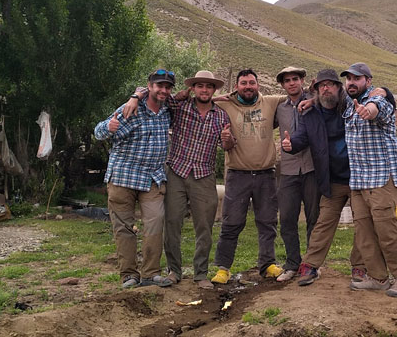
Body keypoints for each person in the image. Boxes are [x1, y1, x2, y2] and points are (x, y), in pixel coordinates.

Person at [281, 69, 393, 287]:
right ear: (315, 90)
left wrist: (383, 90)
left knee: (362, 225)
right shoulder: (310, 113)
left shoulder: (350, 106)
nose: (326, 88)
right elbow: (301, 138)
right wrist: (290, 145)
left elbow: (382, 97)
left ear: (338, 87)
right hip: (332, 179)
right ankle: (310, 265)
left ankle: (359, 267)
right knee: (323, 223)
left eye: (330, 84)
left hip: (358, 179)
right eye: (321, 85)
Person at [129, 70, 231, 290]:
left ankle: (200, 273)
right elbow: (157, 96)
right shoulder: (178, 107)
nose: (205, 90)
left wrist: (228, 140)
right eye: (200, 86)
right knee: (172, 223)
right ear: (193, 88)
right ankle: (174, 271)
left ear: (214, 90)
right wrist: (136, 96)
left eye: (209, 86)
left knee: (204, 226)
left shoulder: (221, 116)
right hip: (176, 171)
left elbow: (227, 147)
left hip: (204, 175)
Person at [94, 69, 176, 290]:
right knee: (123, 228)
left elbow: (193, 96)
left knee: (155, 223)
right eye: (159, 85)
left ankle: (151, 273)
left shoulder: (168, 108)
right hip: (123, 176)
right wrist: (108, 128)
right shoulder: (131, 108)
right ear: (149, 86)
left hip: (152, 177)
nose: (163, 90)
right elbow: (98, 131)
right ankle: (129, 275)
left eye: (168, 87)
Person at [341, 62, 397, 297]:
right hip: (359, 179)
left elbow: (377, 108)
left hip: (381, 177)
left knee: (386, 229)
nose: (351, 82)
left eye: (357, 78)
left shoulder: (378, 100)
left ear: (368, 81)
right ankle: (378, 277)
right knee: (364, 231)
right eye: (348, 79)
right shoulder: (349, 107)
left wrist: (369, 109)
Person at [212, 69, 284, 284]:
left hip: (266, 175)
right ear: (237, 86)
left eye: (252, 83)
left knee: (267, 221)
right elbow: (198, 99)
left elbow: (298, 93)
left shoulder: (271, 102)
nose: (248, 87)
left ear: (258, 85)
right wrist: (217, 97)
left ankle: (267, 264)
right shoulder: (225, 104)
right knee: (231, 222)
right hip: (237, 174)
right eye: (243, 83)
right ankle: (223, 269)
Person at [273, 66, 319, 282]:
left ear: (302, 80)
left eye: (295, 79)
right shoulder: (279, 108)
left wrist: (315, 94)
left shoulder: (314, 101)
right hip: (289, 169)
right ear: (282, 85)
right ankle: (292, 264)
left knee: (313, 218)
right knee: (288, 218)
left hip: (312, 167)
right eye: (287, 80)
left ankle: (311, 265)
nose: (292, 83)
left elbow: (335, 97)